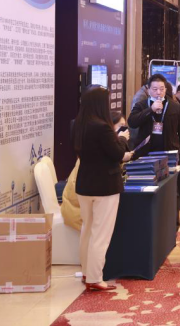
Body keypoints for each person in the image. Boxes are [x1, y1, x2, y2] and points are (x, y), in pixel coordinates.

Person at [73, 86, 133, 292]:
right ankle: (95, 277)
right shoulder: (103, 128)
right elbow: (116, 153)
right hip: (105, 185)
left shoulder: (77, 125)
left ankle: (86, 272)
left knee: (87, 230)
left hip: (84, 184)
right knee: (101, 234)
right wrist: (122, 139)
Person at [128, 74, 180, 158]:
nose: (158, 92)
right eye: (155, 89)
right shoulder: (141, 105)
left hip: (169, 151)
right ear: (148, 90)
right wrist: (151, 109)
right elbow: (132, 122)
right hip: (146, 153)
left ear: (165, 90)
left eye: (161, 89)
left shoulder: (175, 106)